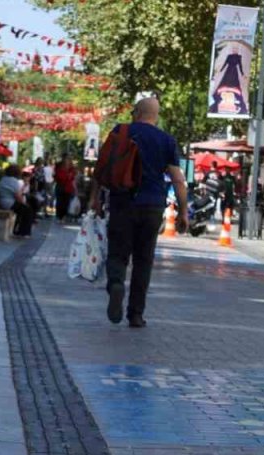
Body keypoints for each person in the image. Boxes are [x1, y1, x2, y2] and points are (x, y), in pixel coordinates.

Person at [89, 96, 189, 328]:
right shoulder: (166, 140)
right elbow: (177, 179)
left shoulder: (121, 131)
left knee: (118, 253)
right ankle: (135, 314)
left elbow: (101, 166)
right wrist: (183, 211)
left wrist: (94, 198)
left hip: (122, 201)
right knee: (144, 260)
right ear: (156, 116)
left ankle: (115, 283)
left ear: (136, 112)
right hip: (152, 206)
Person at [0, 163, 34, 237]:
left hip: (1, 202)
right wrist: (24, 204)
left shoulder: (3, 179)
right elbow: (18, 196)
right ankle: (23, 232)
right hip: (9, 203)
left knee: (21, 210)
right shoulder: (13, 181)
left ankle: (16, 229)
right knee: (28, 210)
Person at [55, 156, 77, 222]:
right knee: (60, 203)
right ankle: (59, 216)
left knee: (66, 203)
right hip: (60, 187)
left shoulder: (71, 169)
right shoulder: (59, 168)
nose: (67, 162)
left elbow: (73, 179)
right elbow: (58, 178)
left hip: (68, 188)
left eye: (68, 160)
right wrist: (67, 176)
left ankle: (64, 216)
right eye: (66, 160)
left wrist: (75, 189)